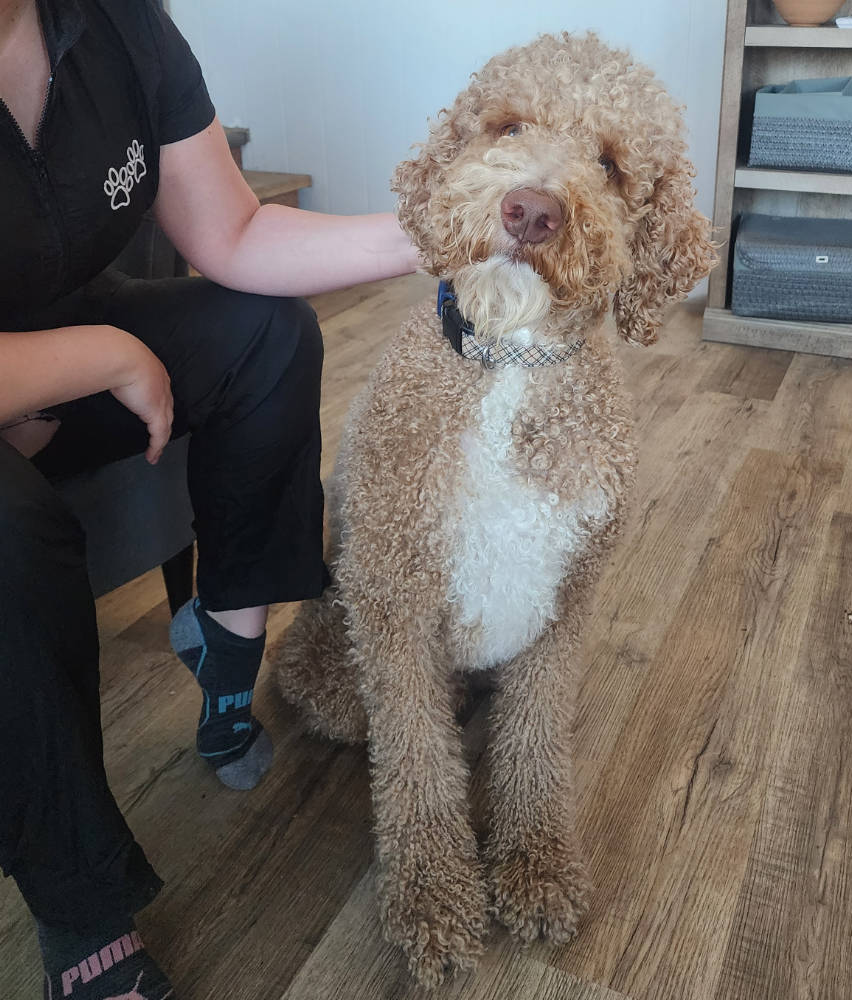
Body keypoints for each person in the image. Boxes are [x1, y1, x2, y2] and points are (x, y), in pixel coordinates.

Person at [0, 0, 420, 996]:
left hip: (49, 345)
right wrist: (97, 358)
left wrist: (438, 227)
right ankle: (81, 910)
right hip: (48, 365)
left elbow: (230, 230)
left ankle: (225, 657)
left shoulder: (114, 22)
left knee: (267, 336)